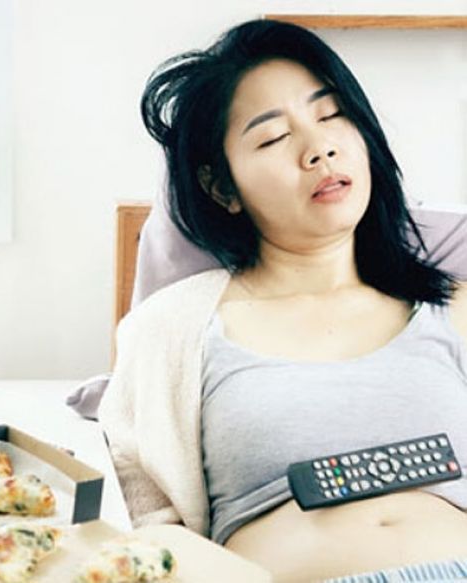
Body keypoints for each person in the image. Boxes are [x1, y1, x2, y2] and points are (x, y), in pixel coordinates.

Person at [98, 18, 467, 583]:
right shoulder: (167, 332)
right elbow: (153, 530)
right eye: (272, 138)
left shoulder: (453, 307)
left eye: (330, 115)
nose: (318, 149)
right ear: (223, 188)